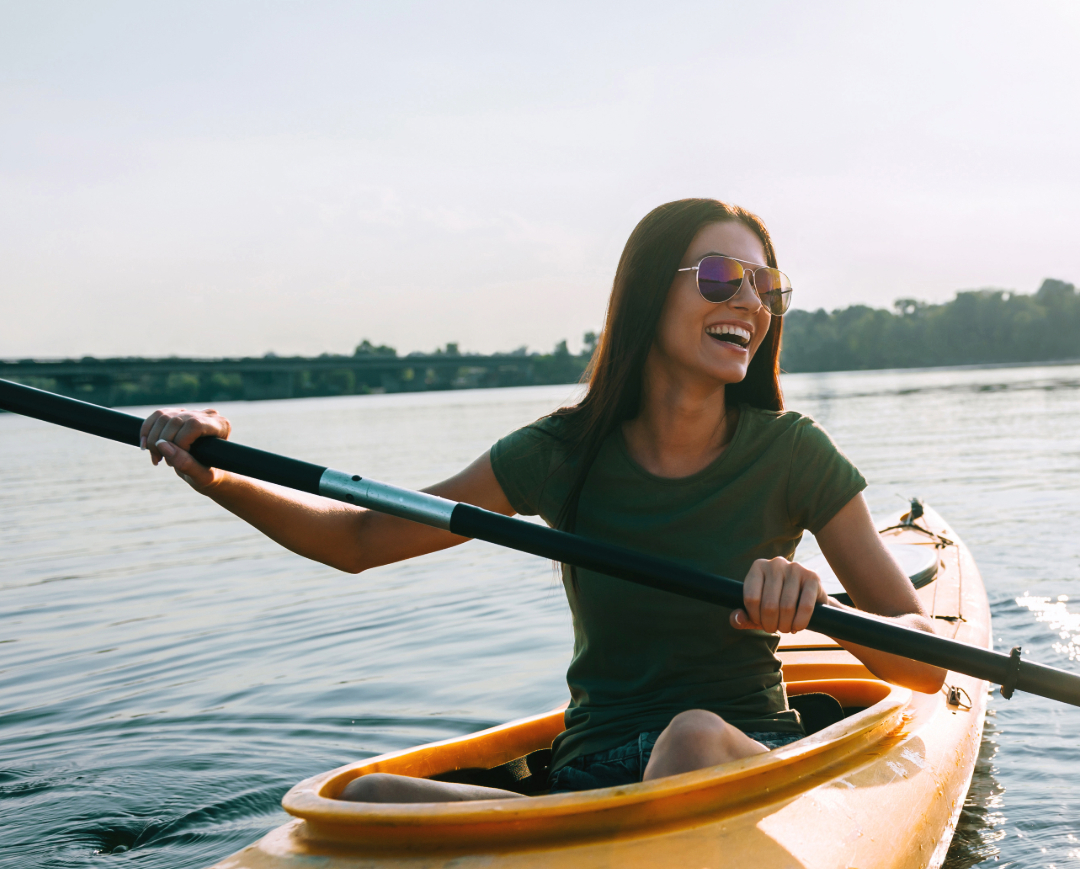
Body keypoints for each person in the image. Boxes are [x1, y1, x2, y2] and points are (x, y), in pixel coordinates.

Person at [140, 198, 945, 803]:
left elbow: (922, 662)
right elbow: (357, 539)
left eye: (767, 286)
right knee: (363, 795)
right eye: (719, 277)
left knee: (690, 737)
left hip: (734, 754)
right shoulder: (561, 452)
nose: (751, 302)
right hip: (588, 775)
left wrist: (813, 607)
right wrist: (216, 473)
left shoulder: (794, 452)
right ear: (645, 293)